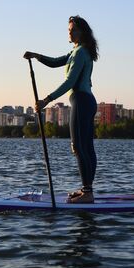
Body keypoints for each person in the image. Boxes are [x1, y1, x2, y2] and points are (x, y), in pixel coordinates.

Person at [24, 15, 98, 203]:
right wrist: (36, 56)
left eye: (73, 30)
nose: (69, 32)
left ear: (82, 32)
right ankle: (86, 189)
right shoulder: (77, 51)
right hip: (87, 101)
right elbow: (56, 61)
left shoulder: (81, 52)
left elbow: (70, 81)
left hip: (81, 101)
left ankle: (87, 192)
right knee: (86, 147)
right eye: (68, 30)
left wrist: (46, 100)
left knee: (79, 146)